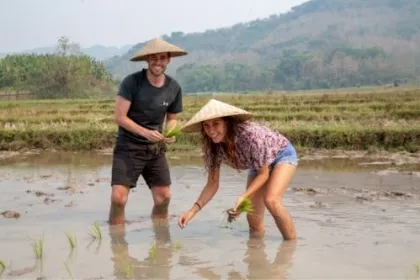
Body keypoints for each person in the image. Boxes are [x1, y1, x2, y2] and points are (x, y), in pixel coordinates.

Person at [177, 99, 298, 240]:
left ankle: (290, 248)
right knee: (253, 220)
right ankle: (256, 255)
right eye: (206, 125)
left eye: (216, 123)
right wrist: (192, 212)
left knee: (271, 201)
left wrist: (244, 196)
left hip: (280, 154)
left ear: (227, 123)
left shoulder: (250, 136)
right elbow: (212, 184)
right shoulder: (212, 147)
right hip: (257, 164)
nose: (211, 131)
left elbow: (263, 174)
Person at [109, 37, 187, 225]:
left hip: (155, 149)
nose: (157, 62)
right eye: (154, 58)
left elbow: (172, 118)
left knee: (164, 198)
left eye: (162, 58)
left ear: (168, 60)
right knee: (118, 198)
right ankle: (117, 238)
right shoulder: (132, 82)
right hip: (129, 146)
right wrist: (145, 132)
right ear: (147, 60)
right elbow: (120, 117)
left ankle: (160, 236)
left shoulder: (174, 88)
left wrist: (170, 133)